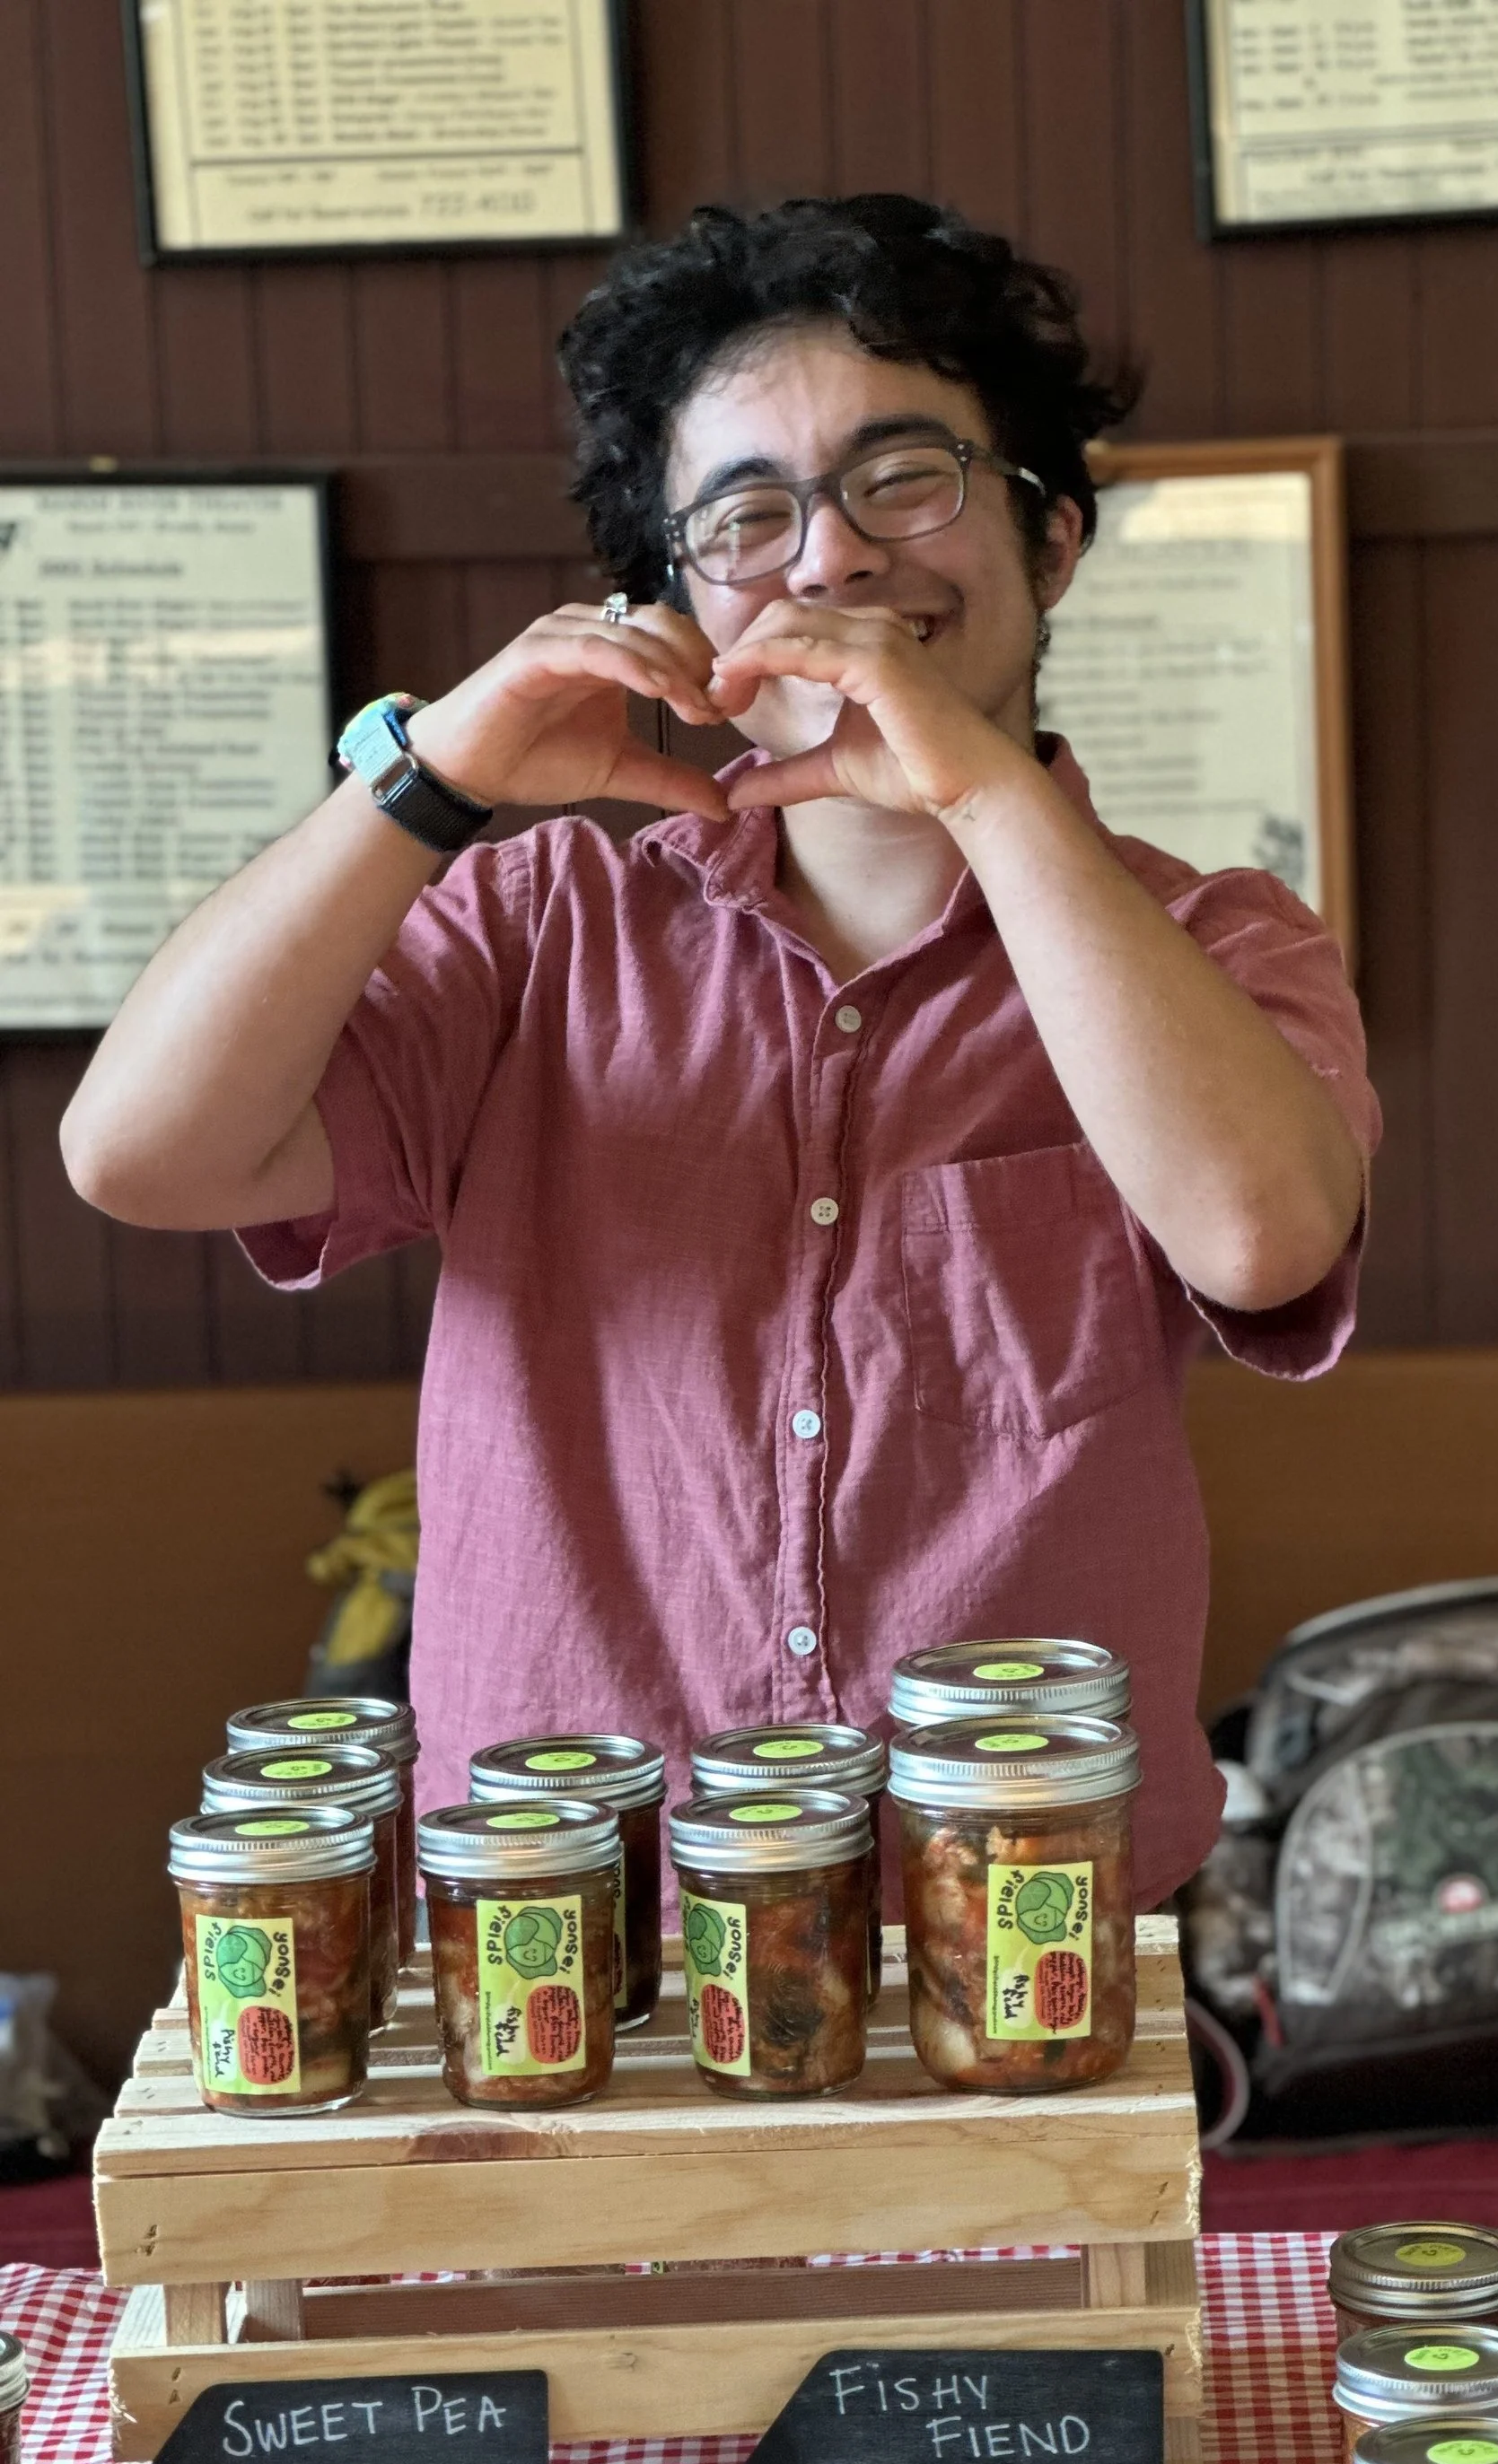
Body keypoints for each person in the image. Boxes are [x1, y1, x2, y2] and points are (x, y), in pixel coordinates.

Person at [60, 193, 1379, 1910]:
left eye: (909, 479)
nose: (831, 561)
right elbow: (140, 1153)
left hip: (1016, 1931)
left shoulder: (1216, 942)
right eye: (748, 516)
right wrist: (427, 786)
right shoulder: (536, 933)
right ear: (673, 603)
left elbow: (1261, 1232)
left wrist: (975, 787)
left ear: (1053, 542)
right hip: (574, 1931)